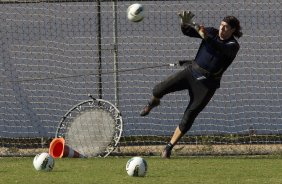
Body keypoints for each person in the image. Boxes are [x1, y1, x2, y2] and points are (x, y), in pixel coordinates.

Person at [139, 11, 243, 158]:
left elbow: (219, 47)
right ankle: (154, 102)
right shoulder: (212, 31)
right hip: (190, 72)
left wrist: (204, 35)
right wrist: (185, 23)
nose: (221, 29)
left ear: (233, 30)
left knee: (190, 115)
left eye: (226, 27)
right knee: (158, 89)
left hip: (207, 84)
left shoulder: (233, 45)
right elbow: (188, 32)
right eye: (221, 25)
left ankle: (168, 148)